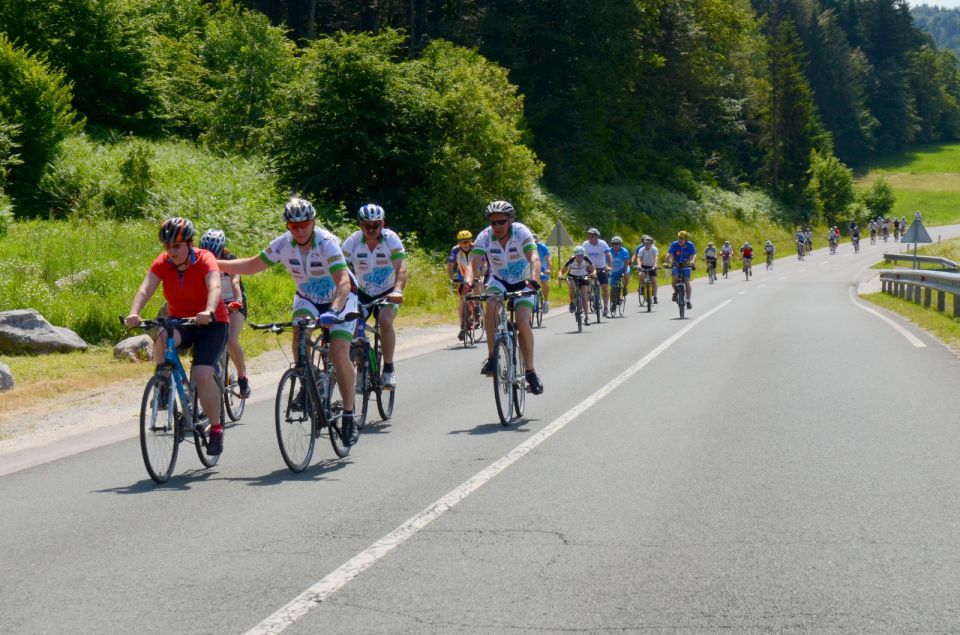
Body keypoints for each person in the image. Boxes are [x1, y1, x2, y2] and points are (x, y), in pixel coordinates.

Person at [217, 197, 360, 445]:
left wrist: (335, 310)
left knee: (338, 352)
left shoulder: (327, 243)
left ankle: (348, 414)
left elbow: (344, 282)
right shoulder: (284, 244)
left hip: (340, 299)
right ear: (287, 227)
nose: (300, 229)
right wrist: (212, 262)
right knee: (299, 334)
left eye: (304, 224)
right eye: (293, 226)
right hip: (307, 298)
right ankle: (309, 378)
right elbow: (251, 265)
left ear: (313, 222)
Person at [126, 218, 229, 455]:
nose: (171, 252)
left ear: (190, 244)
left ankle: (216, 428)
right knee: (162, 336)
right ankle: (163, 382)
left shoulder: (205, 259)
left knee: (202, 374)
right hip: (181, 321)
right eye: (167, 247)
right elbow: (145, 288)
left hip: (212, 323)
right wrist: (134, 313)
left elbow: (214, 287)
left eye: (177, 246)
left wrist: (209, 310)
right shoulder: (163, 262)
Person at [463, 200, 543, 395]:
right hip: (499, 280)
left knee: (523, 322)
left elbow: (534, 257)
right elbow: (472, 264)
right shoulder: (485, 237)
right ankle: (492, 358)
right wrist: (468, 282)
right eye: (493, 223)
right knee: (490, 306)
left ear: (510, 220)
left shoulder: (521, 232)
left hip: (523, 281)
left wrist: (534, 279)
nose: (497, 226)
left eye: (501, 222)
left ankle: (530, 371)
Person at [341, 203, 407, 389]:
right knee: (352, 325)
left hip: (388, 290)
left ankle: (388, 368)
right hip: (361, 292)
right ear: (360, 225)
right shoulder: (352, 242)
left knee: (385, 322)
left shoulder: (391, 239)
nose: (371, 229)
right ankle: (361, 367)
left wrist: (398, 290)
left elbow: (401, 268)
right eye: (366, 225)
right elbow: (340, 269)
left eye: (375, 225)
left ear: (382, 224)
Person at [199, 229, 250, 399]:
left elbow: (235, 282)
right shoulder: (200, 260)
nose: (210, 256)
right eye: (207, 253)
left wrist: (237, 300)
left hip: (233, 303)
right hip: (214, 304)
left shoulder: (230, 260)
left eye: (214, 253)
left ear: (222, 250)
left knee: (230, 339)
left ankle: (243, 378)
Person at [448, 230, 485, 341]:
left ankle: (477, 306)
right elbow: (450, 265)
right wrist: (452, 278)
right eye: (462, 242)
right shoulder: (455, 250)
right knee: (461, 300)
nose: (465, 244)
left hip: (475, 273)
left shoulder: (476, 248)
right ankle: (462, 326)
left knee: (477, 283)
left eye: (467, 241)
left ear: (471, 241)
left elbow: (484, 263)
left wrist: (482, 275)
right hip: (462, 275)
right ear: (459, 243)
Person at [560, 245, 597, 324]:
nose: (580, 257)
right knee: (572, 286)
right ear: (575, 255)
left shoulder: (586, 259)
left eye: (582, 256)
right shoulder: (571, 260)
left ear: (584, 255)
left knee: (584, 296)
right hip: (572, 276)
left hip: (584, 276)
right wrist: (560, 276)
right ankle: (571, 303)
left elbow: (593, 269)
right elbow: (561, 271)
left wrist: (593, 274)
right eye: (578, 256)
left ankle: (586, 317)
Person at [582, 228, 613, 318]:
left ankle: (606, 308)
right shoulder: (585, 244)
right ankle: (589, 295)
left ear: (596, 237)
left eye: (591, 236)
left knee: (605, 288)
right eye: (588, 236)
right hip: (589, 268)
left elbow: (608, 255)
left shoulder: (602, 243)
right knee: (585, 286)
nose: (589, 238)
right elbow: (581, 256)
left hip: (601, 267)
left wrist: (610, 266)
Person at [666, 231, 696, 309]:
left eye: (682, 238)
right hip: (676, 264)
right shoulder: (674, 244)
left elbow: (694, 255)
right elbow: (670, 254)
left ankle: (688, 301)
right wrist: (667, 261)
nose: (680, 240)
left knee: (687, 282)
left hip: (686, 265)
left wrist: (693, 261)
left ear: (686, 239)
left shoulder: (690, 245)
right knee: (674, 279)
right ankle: (676, 292)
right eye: (679, 238)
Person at [633, 235, 659, 302]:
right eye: (645, 243)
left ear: (651, 243)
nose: (646, 244)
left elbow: (656, 257)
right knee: (641, 275)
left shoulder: (654, 249)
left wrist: (655, 265)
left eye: (648, 243)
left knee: (653, 280)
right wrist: (639, 265)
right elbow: (639, 258)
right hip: (644, 266)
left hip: (652, 266)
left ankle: (655, 296)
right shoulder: (642, 249)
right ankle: (641, 287)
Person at [608, 235, 631, 307]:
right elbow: (605, 260)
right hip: (613, 269)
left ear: (620, 244)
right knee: (612, 287)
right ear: (612, 244)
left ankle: (625, 288)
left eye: (618, 244)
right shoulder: (609, 251)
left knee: (626, 274)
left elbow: (626, 262)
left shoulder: (624, 251)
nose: (616, 245)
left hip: (623, 267)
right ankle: (613, 303)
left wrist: (624, 271)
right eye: (614, 244)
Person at [532, 233, 552, 313]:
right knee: (531, 282)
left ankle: (546, 301)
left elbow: (548, 260)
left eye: (535, 241)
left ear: (538, 241)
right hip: (532, 266)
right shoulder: (527, 247)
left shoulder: (543, 247)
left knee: (544, 282)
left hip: (542, 266)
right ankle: (532, 301)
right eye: (532, 242)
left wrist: (548, 269)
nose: (534, 243)